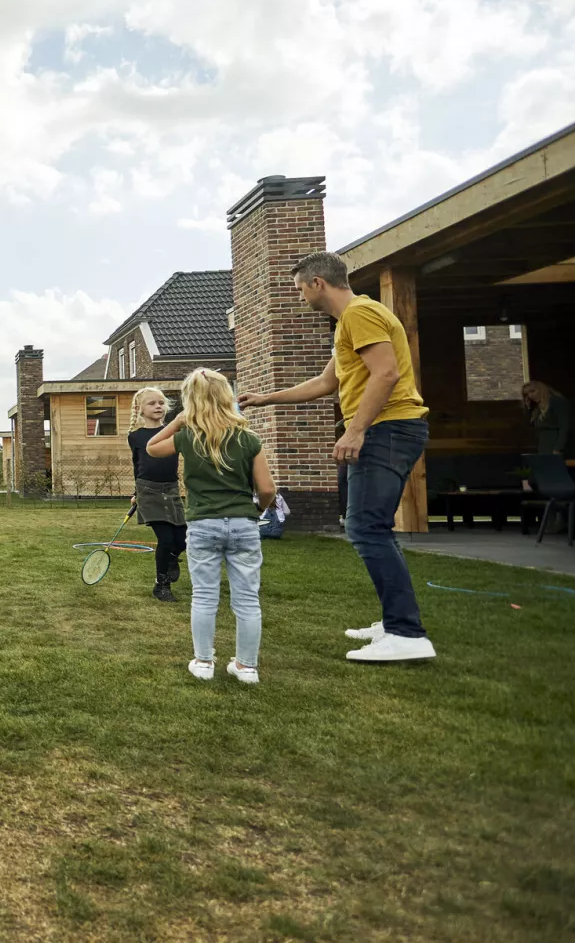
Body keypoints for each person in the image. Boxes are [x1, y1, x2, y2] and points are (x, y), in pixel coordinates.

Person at [237, 251, 435, 663]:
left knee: (365, 527)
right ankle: (396, 620)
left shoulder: (360, 314)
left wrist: (356, 429)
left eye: (299, 289)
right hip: (388, 429)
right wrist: (266, 398)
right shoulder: (351, 321)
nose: (299, 297)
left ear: (317, 284)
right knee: (372, 527)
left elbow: (386, 374)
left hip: (388, 429)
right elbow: (327, 381)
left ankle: (407, 634)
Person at [146, 369, 275, 685]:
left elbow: (152, 447)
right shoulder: (249, 439)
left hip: (203, 525)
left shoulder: (187, 438)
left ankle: (203, 662)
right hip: (244, 525)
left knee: (204, 596)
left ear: (191, 403)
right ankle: (247, 668)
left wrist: (180, 420)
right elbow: (268, 489)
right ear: (228, 398)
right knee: (247, 599)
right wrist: (255, 511)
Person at [127, 387, 185, 603]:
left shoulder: (174, 431)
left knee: (182, 540)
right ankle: (162, 585)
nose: (158, 406)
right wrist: (136, 492)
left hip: (171, 489)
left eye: (161, 403)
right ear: (140, 409)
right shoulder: (135, 437)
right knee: (166, 539)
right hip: (148, 491)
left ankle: (171, 560)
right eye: (152, 403)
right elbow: (138, 465)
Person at [522, 381, 573, 457]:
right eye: (527, 394)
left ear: (542, 390)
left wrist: (558, 448)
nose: (530, 395)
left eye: (532, 391)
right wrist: (528, 408)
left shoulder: (556, 402)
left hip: (555, 444)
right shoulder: (538, 408)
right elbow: (529, 425)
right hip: (544, 446)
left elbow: (565, 426)